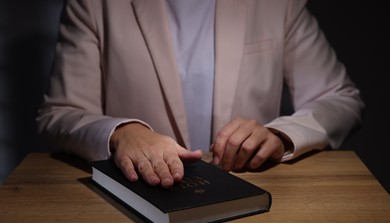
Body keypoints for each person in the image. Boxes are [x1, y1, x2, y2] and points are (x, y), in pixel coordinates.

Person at [37, 0, 364, 189]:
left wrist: (281, 133)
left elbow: (341, 98)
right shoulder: (94, 4)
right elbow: (59, 113)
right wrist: (121, 133)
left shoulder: (278, 4)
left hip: (251, 198)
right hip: (137, 205)